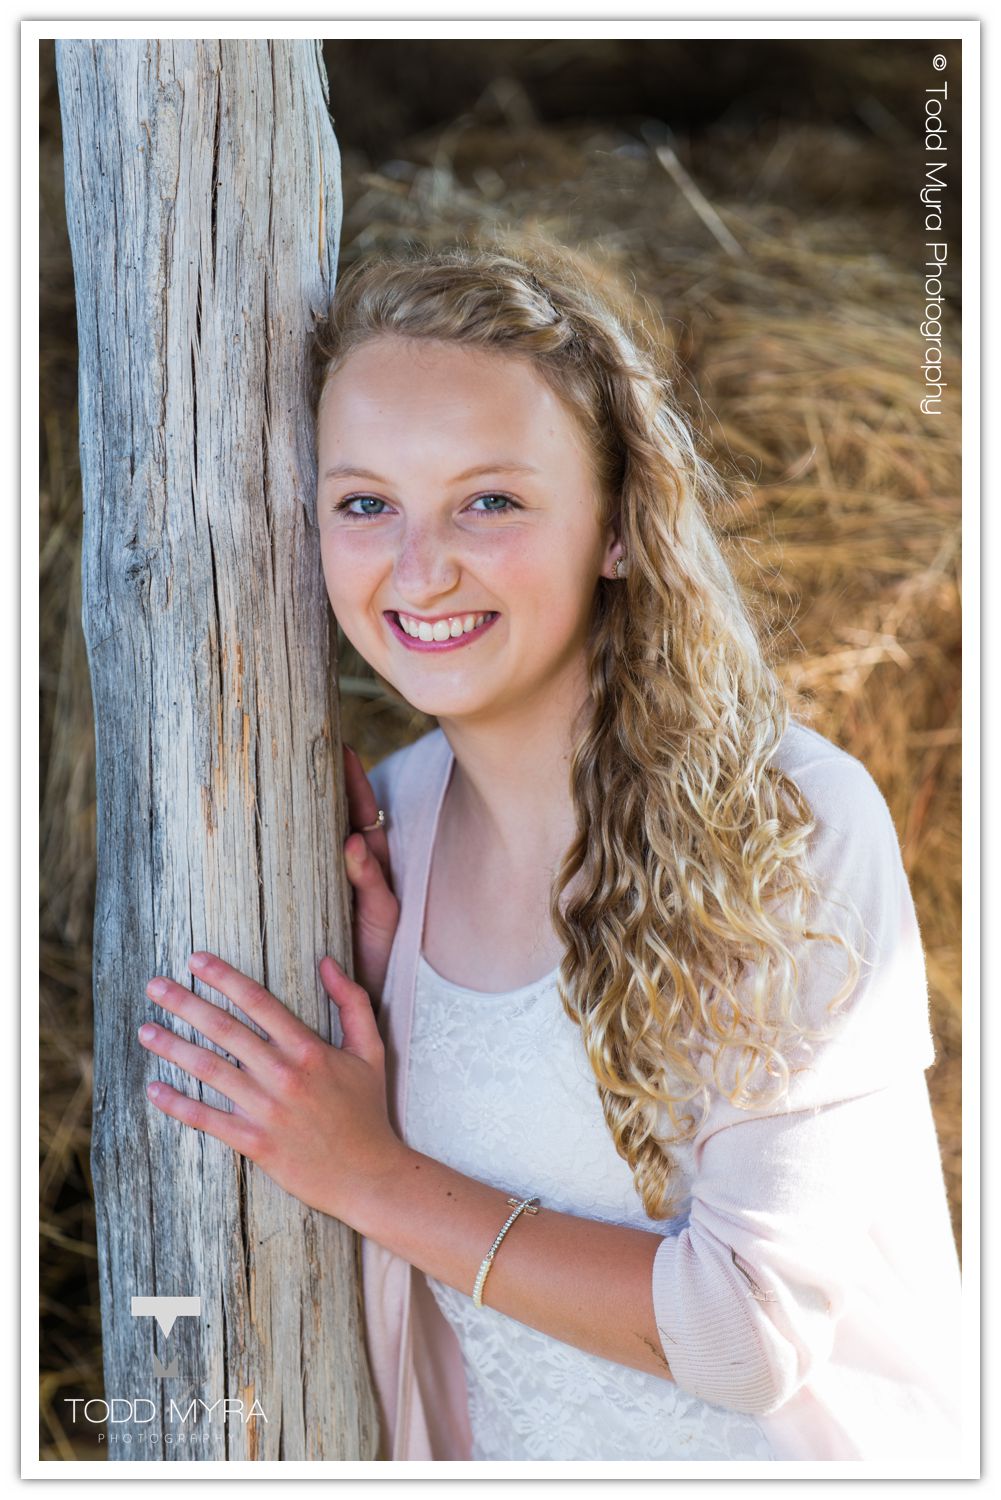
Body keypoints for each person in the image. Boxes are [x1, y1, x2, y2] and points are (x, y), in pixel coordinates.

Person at [140, 237, 962, 1465]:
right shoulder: (386, 836)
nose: (420, 567)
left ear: (619, 527)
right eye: (365, 503)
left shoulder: (786, 823)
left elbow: (746, 1333)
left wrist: (368, 1172)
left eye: (490, 500)